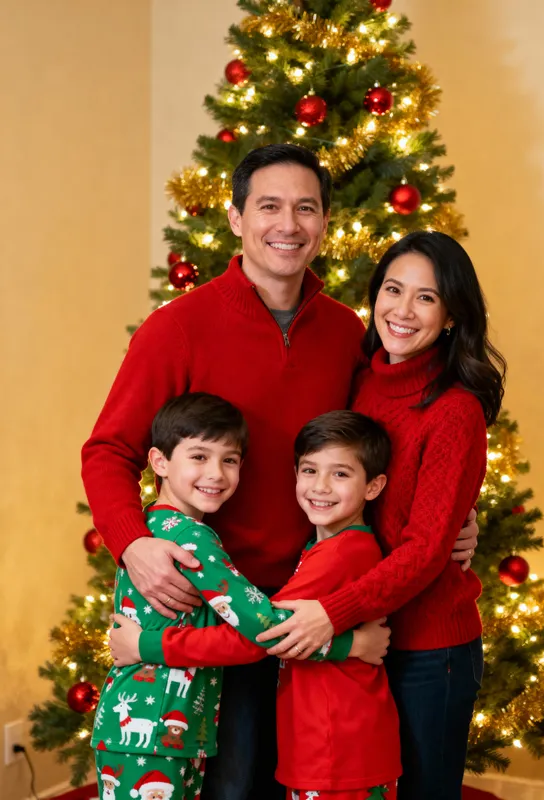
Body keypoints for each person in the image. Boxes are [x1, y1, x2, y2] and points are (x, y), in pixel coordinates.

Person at [81, 144, 478, 800]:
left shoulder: (350, 334)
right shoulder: (176, 329)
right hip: (217, 610)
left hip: (312, 607)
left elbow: (384, 454)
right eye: (269, 206)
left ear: (325, 223)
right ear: (236, 218)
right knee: (228, 786)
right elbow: (107, 451)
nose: (287, 224)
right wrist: (135, 545)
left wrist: (458, 525)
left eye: (305, 208)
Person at [258, 232, 506, 799]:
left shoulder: (455, 411)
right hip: (370, 637)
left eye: (426, 298)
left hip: (427, 650)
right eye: (393, 290)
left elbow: (423, 550)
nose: (402, 310)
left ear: (449, 316)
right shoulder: (362, 382)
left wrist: (331, 613)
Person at [91, 393, 371, 800]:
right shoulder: (190, 537)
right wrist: (353, 643)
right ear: (159, 462)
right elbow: (264, 629)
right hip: (152, 731)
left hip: (164, 729)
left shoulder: (152, 524)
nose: (217, 474)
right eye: (199, 457)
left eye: (230, 460)